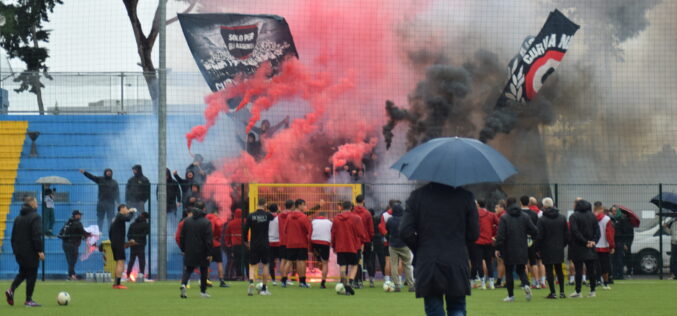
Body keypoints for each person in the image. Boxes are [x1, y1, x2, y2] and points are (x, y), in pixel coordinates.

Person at [400, 182, 479, 316]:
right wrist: (460, 244)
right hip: (456, 258)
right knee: (457, 307)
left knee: (433, 308)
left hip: (428, 259)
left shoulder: (417, 196)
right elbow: (474, 233)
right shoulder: (465, 196)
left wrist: (420, 247)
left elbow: (405, 231)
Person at [495, 198, 538, 303]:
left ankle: (511, 296)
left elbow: (500, 235)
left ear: (506, 206)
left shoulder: (504, 217)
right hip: (522, 247)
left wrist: (498, 248)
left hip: (508, 248)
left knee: (509, 271)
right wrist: (529, 237)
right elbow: (535, 230)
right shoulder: (525, 216)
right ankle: (526, 285)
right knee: (521, 270)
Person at [6, 196, 44, 307]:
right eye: (36, 202)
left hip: (19, 252)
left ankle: (11, 290)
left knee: (23, 273)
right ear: (31, 203)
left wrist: (15, 250)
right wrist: (40, 250)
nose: (37, 204)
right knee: (32, 274)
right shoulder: (35, 217)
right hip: (31, 252)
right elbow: (36, 235)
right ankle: (28, 300)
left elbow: (13, 237)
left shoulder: (18, 218)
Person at [535, 198, 568, 299]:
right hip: (559, 247)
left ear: (544, 206)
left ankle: (553, 292)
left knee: (549, 270)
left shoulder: (542, 220)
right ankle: (562, 292)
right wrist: (562, 245)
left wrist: (537, 248)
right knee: (559, 269)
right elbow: (567, 234)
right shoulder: (562, 218)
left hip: (546, 248)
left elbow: (539, 236)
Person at [568, 199, 601, 298]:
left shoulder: (573, 216)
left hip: (578, 246)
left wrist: (584, 242)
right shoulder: (592, 216)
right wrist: (593, 241)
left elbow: (575, 231)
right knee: (591, 269)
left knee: (579, 270)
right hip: (591, 246)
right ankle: (593, 291)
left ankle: (578, 291)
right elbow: (597, 231)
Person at [179, 207, 213, 299]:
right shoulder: (206, 222)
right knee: (203, 271)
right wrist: (209, 253)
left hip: (189, 250)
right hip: (203, 251)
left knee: (188, 269)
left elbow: (182, 237)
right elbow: (209, 239)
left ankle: (183, 285)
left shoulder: (187, 222)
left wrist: (183, 249)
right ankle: (203, 292)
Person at [331, 201, 364, 296]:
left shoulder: (336, 219)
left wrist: (333, 245)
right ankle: (350, 282)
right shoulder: (357, 218)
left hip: (341, 246)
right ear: (351, 208)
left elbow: (333, 233)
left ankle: (345, 283)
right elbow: (361, 233)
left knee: (342, 266)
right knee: (355, 265)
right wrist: (362, 243)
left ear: (342, 208)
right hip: (354, 245)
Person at [244, 198, 275, 296]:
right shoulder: (268, 216)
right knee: (265, 265)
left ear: (257, 204)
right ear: (265, 204)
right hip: (265, 243)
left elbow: (245, 230)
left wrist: (246, 241)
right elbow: (274, 213)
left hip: (254, 243)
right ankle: (264, 289)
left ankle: (251, 282)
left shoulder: (251, 216)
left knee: (253, 265)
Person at [80, 168, 119, 234]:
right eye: (107, 172)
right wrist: (84, 173)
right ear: (105, 172)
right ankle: (98, 232)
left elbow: (117, 193)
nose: (109, 173)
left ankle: (111, 232)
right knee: (100, 219)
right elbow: (92, 177)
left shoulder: (114, 182)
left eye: (110, 172)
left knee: (111, 219)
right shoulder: (101, 179)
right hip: (101, 203)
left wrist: (117, 201)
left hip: (111, 203)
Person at [283, 199, 312, 288]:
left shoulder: (288, 216)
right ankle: (302, 282)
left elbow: (285, 230)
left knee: (288, 261)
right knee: (301, 261)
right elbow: (309, 230)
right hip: (301, 242)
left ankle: (283, 281)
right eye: (304, 205)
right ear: (299, 205)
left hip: (290, 242)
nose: (305, 207)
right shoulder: (303, 217)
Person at [386, 203, 415, 292]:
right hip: (404, 245)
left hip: (393, 245)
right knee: (407, 265)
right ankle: (411, 286)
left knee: (394, 265)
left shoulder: (390, 220)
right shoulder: (406, 220)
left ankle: (397, 285)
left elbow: (388, 230)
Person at [471, 200, 498, 290]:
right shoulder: (491, 214)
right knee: (489, 262)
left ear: (478, 205)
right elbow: (500, 224)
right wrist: (495, 235)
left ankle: (482, 283)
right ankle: (491, 283)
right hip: (488, 241)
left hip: (477, 241)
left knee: (479, 262)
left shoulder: (474, 215)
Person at [110, 204, 137, 289]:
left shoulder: (116, 218)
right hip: (117, 242)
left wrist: (125, 243)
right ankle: (117, 284)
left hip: (116, 242)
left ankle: (116, 283)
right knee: (121, 262)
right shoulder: (119, 216)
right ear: (122, 209)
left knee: (119, 262)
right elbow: (128, 219)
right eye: (126, 208)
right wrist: (132, 212)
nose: (127, 210)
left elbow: (112, 232)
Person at [59, 210, 90, 280]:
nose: (80, 216)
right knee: (72, 260)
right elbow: (83, 232)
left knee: (70, 260)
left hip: (65, 244)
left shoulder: (68, 223)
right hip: (73, 244)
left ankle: (71, 274)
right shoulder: (77, 223)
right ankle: (72, 275)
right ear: (76, 215)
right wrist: (90, 234)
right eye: (79, 215)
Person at [352, 194, 374, 288]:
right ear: (363, 201)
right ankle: (371, 280)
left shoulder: (352, 212)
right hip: (366, 239)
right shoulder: (367, 213)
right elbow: (371, 229)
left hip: (355, 240)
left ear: (356, 201)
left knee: (357, 261)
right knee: (368, 260)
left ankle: (358, 281)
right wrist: (371, 238)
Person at [519, 195, 541, 289]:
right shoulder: (534, 214)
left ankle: (525, 282)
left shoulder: (519, 214)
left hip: (521, 240)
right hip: (532, 240)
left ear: (520, 202)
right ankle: (537, 281)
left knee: (523, 262)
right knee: (533, 261)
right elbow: (536, 227)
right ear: (528, 203)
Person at [594, 202, 615, 290]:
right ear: (601, 209)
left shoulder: (591, 218)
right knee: (605, 265)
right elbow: (609, 233)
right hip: (604, 246)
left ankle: (596, 280)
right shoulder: (607, 219)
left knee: (595, 265)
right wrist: (612, 245)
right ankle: (605, 284)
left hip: (594, 245)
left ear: (594, 209)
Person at [610, 205, 635, 280]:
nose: (614, 212)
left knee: (619, 258)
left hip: (619, 242)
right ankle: (614, 274)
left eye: (615, 211)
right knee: (613, 259)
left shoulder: (622, 219)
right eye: (613, 211)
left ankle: (620, 275)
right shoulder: (610, 219)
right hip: (613, 242)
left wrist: (625, 243)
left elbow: (626, 232)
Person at [205, 208, 228, 288]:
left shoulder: (205, 219)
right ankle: (221, 281)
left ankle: (207, 280)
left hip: (207, 244)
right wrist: (217, 237)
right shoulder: (216, 219)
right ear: (216, 213)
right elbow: (219, 230)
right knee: (219, 262)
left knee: (207, 263)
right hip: (216, 243)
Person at [311, 211, 332, 289]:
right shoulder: (329, 222)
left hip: (315, 242)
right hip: (325, 242)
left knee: (319, 261)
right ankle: (323, 282)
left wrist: (310, 249)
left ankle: (319, 261)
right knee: (325, 263)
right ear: (326, 216)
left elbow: (310, 233)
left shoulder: (313, 222)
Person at [126, 212, 150, 281]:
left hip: (133, 244)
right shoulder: (145, 224)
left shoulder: (132, 224)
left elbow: (128, 235)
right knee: (141, 260)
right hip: (141, 244)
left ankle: (128, 275)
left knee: (131, 260)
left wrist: (131, 241)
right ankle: (141, 275)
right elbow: (147, 233)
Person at [225, 209, 245, 280]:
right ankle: (249, 276)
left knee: (237, 261)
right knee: (246, 260)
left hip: (235, 245)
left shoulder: (231, 223)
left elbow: (227, 234)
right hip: (245, 244)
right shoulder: (245, 221)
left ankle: (239, 276)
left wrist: (228, 243)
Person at [277, 200, 294, 285]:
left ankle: (282, 278)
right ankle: (285, 279)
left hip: (281, 240)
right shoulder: (291, 215)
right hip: (290, 239)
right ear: (292, 206)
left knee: (282, 261)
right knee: (289, 261)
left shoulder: (280, 215)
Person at [493, 200, 507, 288]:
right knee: (501, 262)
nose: (495, 209)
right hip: (504, 242)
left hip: (502, 242)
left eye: (497, 207)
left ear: (502, 208)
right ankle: (502, 280)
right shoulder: (500, 216)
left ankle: (499, 281)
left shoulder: (502, 217)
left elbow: (501, 232)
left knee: (501, 261)